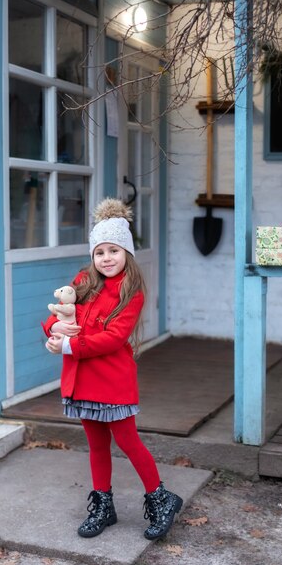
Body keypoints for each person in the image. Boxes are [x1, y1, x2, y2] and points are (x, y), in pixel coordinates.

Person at [42, 198, 182, 540]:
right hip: (81, 380)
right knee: (97, 445)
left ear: (127, 253)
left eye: (114, 250)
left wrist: (70, 346)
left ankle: (161, 498)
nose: (106, 258)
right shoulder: (82, 282)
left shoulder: (130, 292)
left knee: (128, 440)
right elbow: (58, 315)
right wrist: (53, 331)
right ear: (92, 256)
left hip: (112, 381)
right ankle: (104, 504)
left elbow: (113, 337)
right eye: (100, 251)